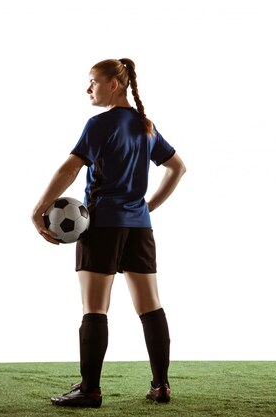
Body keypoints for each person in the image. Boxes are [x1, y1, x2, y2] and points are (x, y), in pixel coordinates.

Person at [31, 58, 186, 408]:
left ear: (114, 84)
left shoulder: (100, 124)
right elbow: (177, 167)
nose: (88, 89)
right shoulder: (145, 125)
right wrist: (146, 207)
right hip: (139, 228)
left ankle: (90, 390)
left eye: (93, 82)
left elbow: (70, 168)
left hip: (102, 226)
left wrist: (38, 208)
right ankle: (161, 386)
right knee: (151, 308)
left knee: (94, 309)